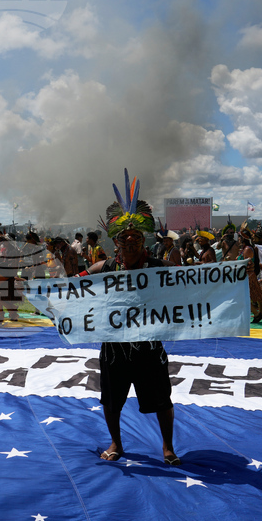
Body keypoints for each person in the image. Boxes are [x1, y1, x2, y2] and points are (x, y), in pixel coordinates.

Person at [85, 171, 179, 467]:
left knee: (161, 398)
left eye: (135, 237)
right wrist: (45, 292)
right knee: (111, 399)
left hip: (149, 345)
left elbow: (192, 287)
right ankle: (116, 442)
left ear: (143, 240)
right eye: (124, 238)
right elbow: (72, 289)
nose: (129, 242)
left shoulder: (160, 267)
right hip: (114, 348)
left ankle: (168, 447)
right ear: (115, 242)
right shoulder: (102, 269)